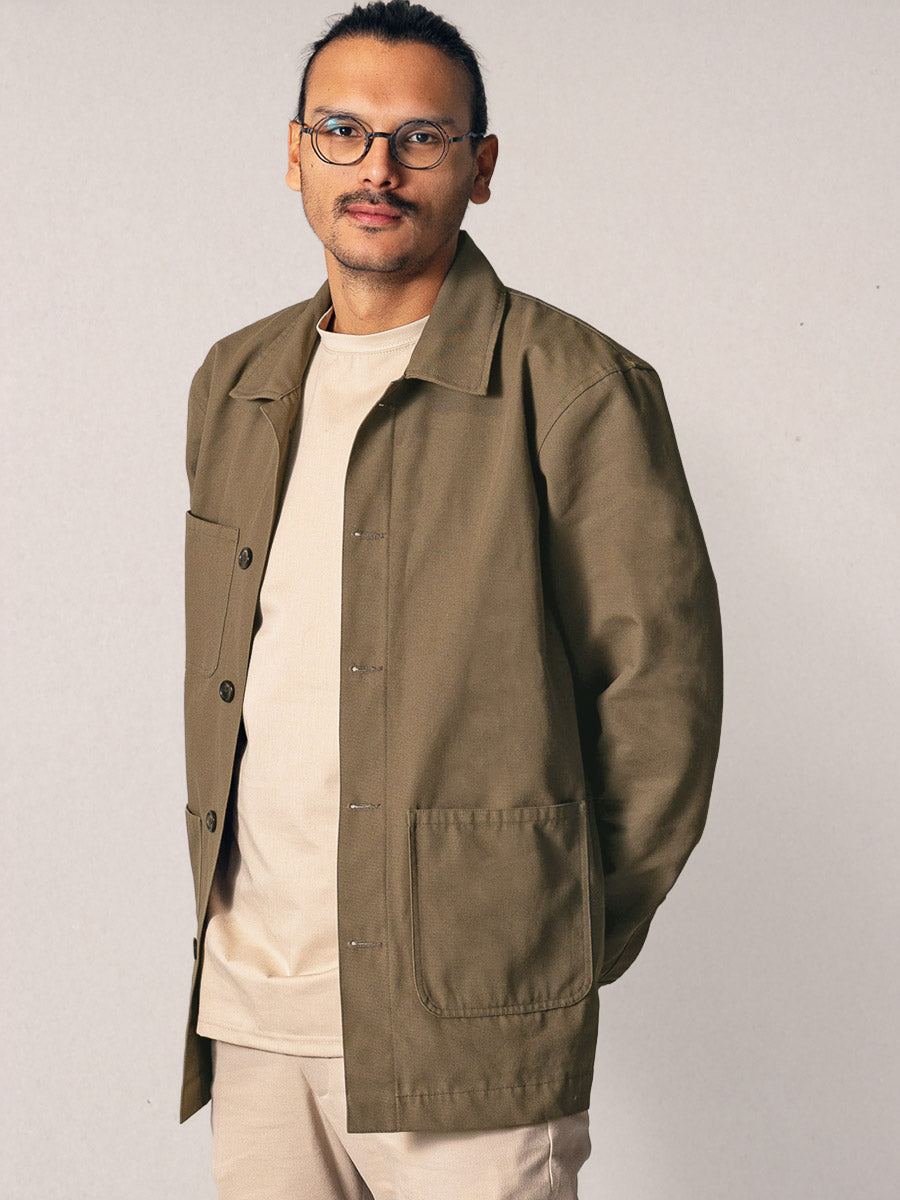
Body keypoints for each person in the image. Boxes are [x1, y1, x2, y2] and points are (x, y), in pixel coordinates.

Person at [179, 2, 723, 1196]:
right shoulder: (237, 381)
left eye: (421, 137)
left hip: (469, 1028)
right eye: (342, 131)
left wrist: (537, 945)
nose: (377, 168)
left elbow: (663, 709)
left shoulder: (576, 387)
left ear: (480, 168)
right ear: (295, 155)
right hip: (253, 1011)